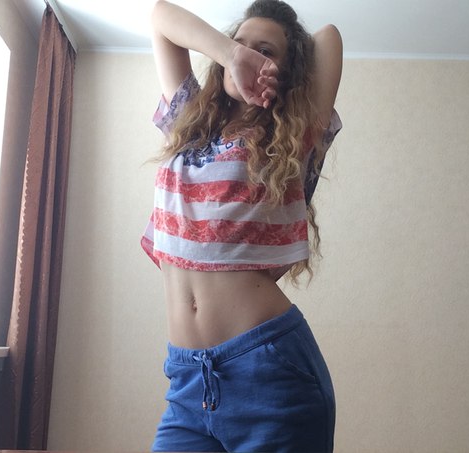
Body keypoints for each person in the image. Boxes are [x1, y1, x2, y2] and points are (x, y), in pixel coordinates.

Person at [141, 0, 342, 451]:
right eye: (240, 43)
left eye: (264, 51)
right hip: (189, 380)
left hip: (270, 373)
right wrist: (230, 53)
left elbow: (328, 37)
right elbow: (160, 17)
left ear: (288, 74)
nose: (248, 55)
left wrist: (266, 69)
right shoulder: (189, 124)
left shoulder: (291, 139)